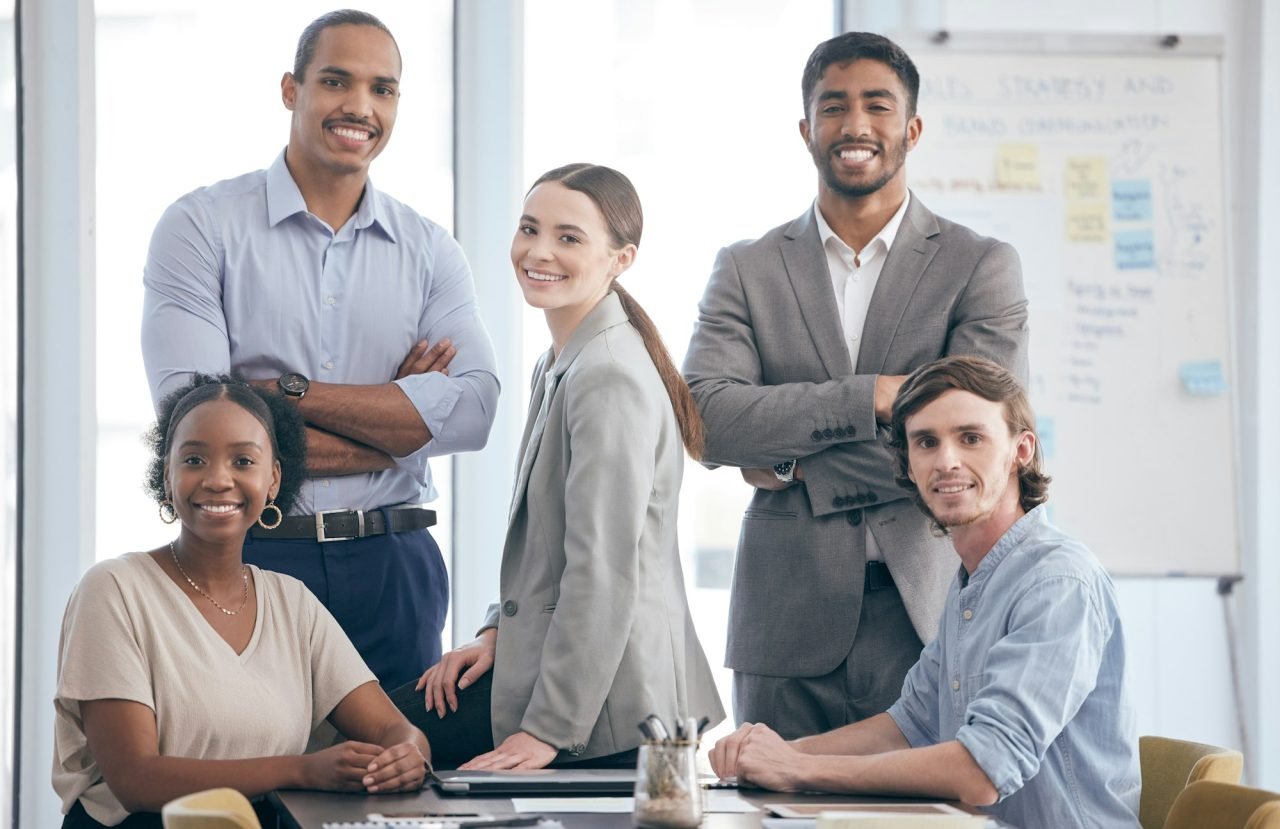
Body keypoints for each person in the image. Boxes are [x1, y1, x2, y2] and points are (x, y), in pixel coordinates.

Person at [681, 31, 1029, 738]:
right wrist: (868, 397)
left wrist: (788, 462)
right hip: (784, 625)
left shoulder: (980, 265)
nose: (856, 124)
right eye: (833, 106)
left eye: (878, 104)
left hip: (930, 613)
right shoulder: (747, 268)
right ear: (807, 128)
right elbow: (706, 419)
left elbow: (972, 444)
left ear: (912, 128)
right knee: (770, 809)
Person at [140, 9, 499, 689]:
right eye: (336, 80)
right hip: (255, 555)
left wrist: (281, 398)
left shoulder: (430, 251)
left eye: (382, 88)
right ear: (290, 89)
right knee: (252, 778)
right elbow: (196, 424)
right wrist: (402, 421)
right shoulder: (201, 227)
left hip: (397, 565)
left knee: (395, 780)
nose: (360, 106)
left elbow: (474, 413)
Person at [710, 356, 1140, 828]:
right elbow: (910, 726)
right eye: (926, 442)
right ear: (908, 466)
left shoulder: (1056, 582)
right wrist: (768, 756)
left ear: (1021, 451)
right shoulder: (973, 582)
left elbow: (983, 771)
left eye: (971, 438)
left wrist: (799, 769)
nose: (947, 461)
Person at [391, 164, 725, 769]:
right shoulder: (565, 360)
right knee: (370, 744)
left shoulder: (609, 376)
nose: (538, 251)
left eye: (569, 237)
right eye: (529, 228)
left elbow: (603, 570)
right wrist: (497, 632)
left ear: (620, 258)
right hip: (564, 670)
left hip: (611, 705)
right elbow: (550, 549)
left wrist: (548, 730)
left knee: (371, 752)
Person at [53, 376, 432, 829]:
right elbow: (135, 778)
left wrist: (407, 754)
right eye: (194, 459)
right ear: (166, 475)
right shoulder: (114, 589)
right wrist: (300, 770)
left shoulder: (292, 602)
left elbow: (394, 730)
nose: (217, 479)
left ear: (272, 479)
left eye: (243, 460)